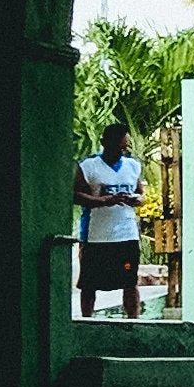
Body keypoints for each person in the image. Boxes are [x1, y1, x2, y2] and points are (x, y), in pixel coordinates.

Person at [74, 120, 147, 319]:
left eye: (124, 147)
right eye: (118, 147)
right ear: (105, 142)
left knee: (130, 280)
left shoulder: (132, 166)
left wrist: (136, 200)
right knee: (89, 284)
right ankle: (87, 321)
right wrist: (103, 201)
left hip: (126, 234)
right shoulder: (88, 166)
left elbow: (141, 194)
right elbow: (75, 195)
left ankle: (133, 321)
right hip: (96, 236)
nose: (121, 151)